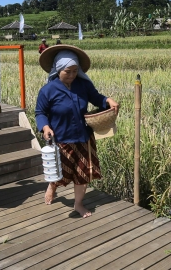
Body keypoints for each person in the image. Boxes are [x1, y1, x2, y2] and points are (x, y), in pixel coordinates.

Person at [35, 44, 119, 218]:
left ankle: (78, 204)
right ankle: (52, 185)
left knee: (83, 173)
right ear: (58, 70)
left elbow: (96, 98)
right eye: (68, 72)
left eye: (75, 71)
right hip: (62, 138)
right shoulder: (47, 91)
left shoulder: (83, 85)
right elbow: (40, 113)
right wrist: (45, 126)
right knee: (61, 172)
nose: (72, 75)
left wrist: (108, 100)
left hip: (83, 137)